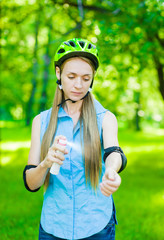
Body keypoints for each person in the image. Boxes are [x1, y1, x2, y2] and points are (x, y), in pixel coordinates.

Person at [23, 38, 127, 240]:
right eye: (71, 76)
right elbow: (31, 183)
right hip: (54, 226)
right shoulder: (41, 121)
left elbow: (114, 152)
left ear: (92, 79)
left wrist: (112, 171)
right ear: (58, 74)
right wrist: (46, 163)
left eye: (86, 78)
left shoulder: (105, 118)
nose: (78, 85)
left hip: (96, 225)